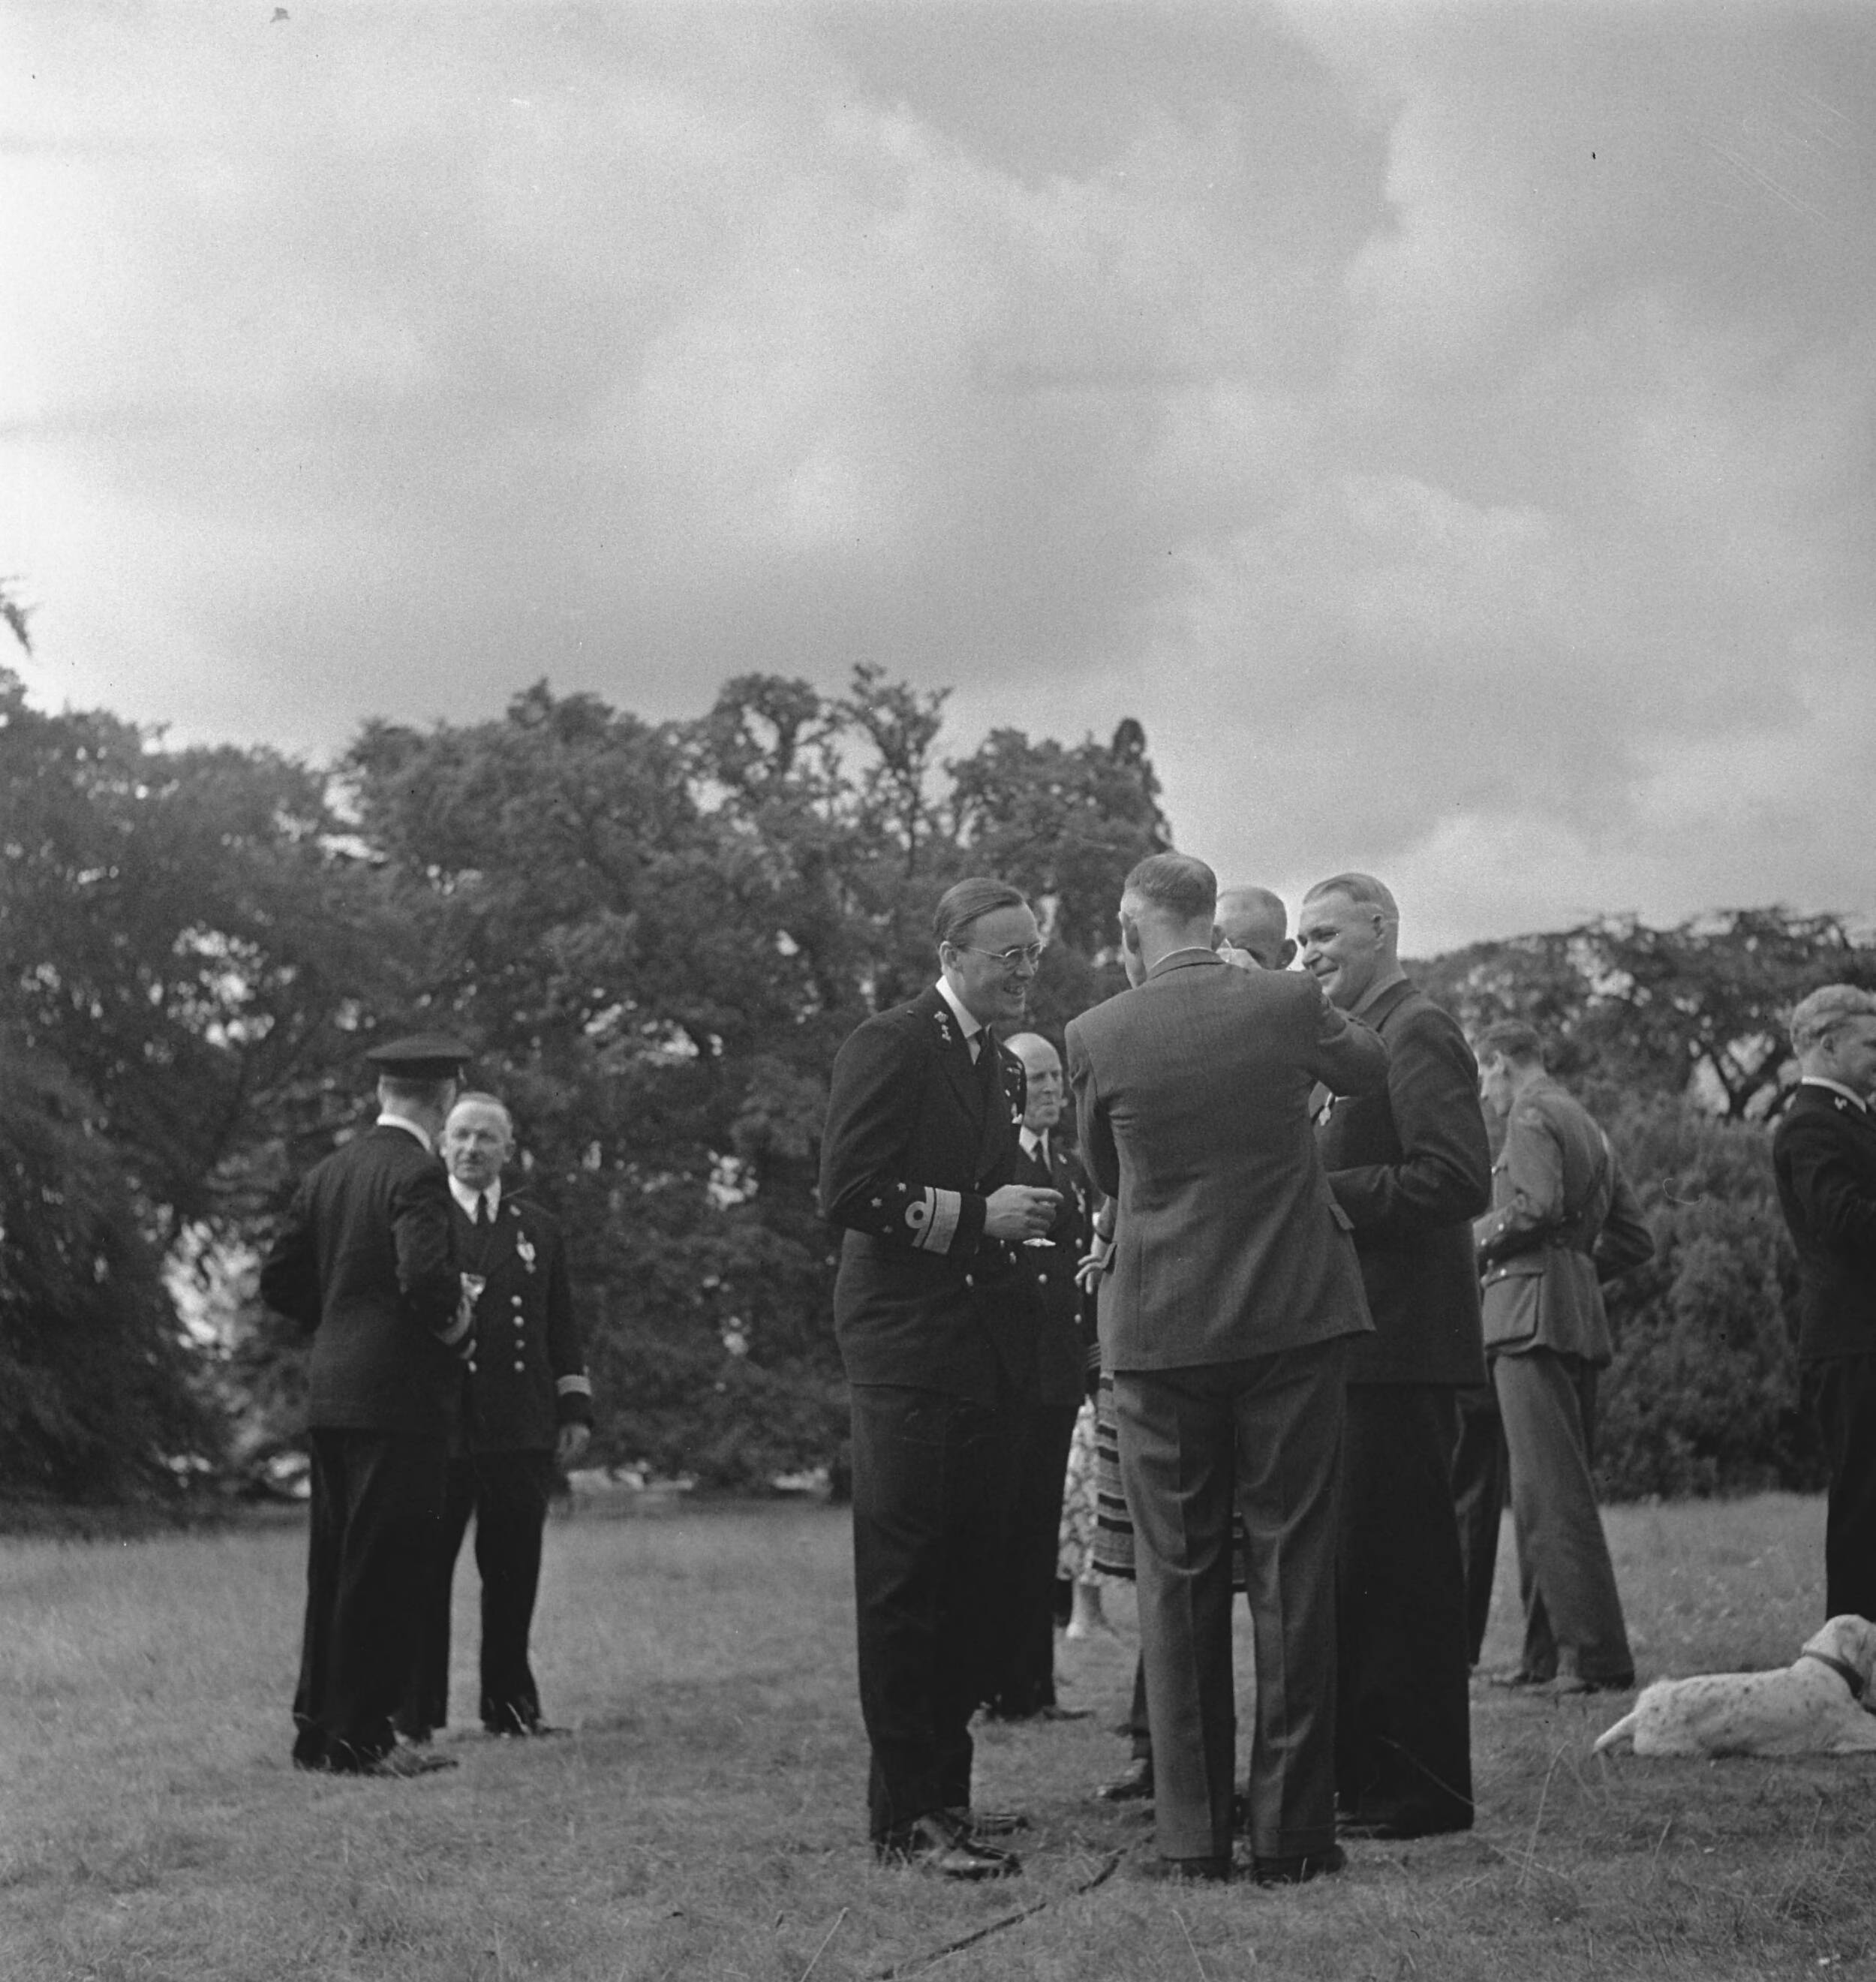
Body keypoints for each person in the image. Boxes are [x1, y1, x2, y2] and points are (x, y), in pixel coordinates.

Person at [1066, 853, 1387, 1885]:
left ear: (1132, 927)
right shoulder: (1286, 1001)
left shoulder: (1096, 1033)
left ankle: (1192, 1836)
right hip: (1291, 1316)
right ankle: (1293, 1836)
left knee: (1178, 1580)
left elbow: (1105, 1171)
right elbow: (1370, 1066)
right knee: (1293, 1569)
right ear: (1211, 920)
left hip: (1159, 1329)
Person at [818, 878, 1062, 1880]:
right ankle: (906, 1818)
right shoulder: (891, 1042)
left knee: (966, 1582)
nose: (1025, 970)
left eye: (1033, 953)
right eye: (1009, 954)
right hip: (906, 1350)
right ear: (952, 953)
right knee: (908, 1582)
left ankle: (945, 1801)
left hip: (976, 1355)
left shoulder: (995, 1063)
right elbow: (848, 1189)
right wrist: (978, 1216)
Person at [1299, 874, 1491, 1841]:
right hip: (1359, 1347)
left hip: (1404, 1348)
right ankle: (1364, 1778)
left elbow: (1455, 1178)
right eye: (1301, 941)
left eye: (1324, 934)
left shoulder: (1417, 1030)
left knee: (1404, 1575)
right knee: (1359, 1570)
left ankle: (1420, 1792)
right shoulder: (1351, 1040)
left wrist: (1321, 1196)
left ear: (1381, 930)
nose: (1308, 954)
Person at [260, 1032, 474, 1779]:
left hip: (333, 1394)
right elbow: (426, 1280)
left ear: (384, 1092)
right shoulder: (417, 1173)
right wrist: (459, 1330)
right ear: (445, 1096)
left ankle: (319, 1733)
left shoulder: (328, 1172)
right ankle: (362, 1741)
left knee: (335, 1564)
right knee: (385, 1567)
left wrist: (345, 1321)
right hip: (398, 1399)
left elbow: (279, 1281)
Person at [397, 1092, 594, 1743]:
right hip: (441, 1426)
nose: (471, 1148)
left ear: (508, 1149)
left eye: (486, 1137)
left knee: (513, 1574)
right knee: (425, 1574)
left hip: (519, 1426)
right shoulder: (421, 1219)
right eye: (460, 1135)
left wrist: (574, 1407)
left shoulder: (537, 1227)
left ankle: (511, 1708)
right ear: (441, 1143)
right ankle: (415, 1716)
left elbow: (560, 1326)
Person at [1473, 1022, 1653, 1694]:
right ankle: (1543, 1657)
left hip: (1527, 1321)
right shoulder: (1588, 1125)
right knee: (1539, 1490)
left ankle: (1594, 1658)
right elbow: (1634, 1238)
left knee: (1551, 1493)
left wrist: (1470, 1242)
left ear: (1501, 1063)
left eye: (1484, 1075)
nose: (1484, 1094)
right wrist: (1571, 1269)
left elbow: (1535, 1206)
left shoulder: (1529, 1114)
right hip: (1575, 1319)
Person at [982, 1032, 1095, 1723]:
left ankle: (1034, 1687)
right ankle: (996, 1684)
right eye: (1038, 1077)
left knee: (1039, 1534)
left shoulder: (1073, 1167)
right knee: (1002, 1531)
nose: (1052, 1089)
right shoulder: (994, 1164)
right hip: (1005, 1380)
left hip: (1056, 1377)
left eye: (1058, 1076)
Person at [1772, 985, 1876, 1624]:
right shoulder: (1812, 1123)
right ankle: (1852, 1655)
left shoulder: (1852, 1118)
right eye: (1871, 1043)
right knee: (1864, 1503)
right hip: (1855, 1340)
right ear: (1829, 1044)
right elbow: (1842, 1218)